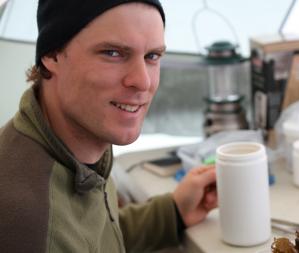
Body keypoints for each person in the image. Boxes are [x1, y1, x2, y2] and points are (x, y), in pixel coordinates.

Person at [0, 0, 218, 252]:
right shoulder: (31, 224)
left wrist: (173, 212)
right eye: (113, 53)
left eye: (152, 56)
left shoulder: (77, 144)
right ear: (51, 54)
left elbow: (94, 238)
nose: (142, 81)